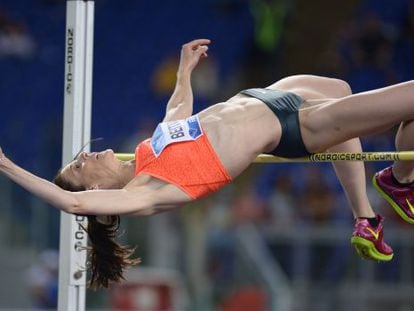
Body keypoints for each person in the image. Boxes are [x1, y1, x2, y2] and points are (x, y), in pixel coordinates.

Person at [1, 39, 413, 288]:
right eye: (79, 166)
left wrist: (184, 69)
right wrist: (6, 166)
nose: (86, 154)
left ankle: (368, 214)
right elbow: (69, 204)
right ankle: (395, 182)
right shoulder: (145, 193)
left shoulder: (147, 152)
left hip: (265, 95)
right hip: (295, 125)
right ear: (94, 192)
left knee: (340, 86)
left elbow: (177, 112)